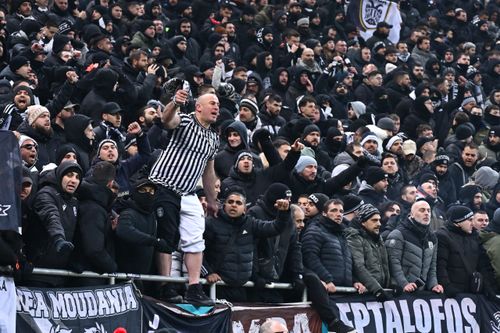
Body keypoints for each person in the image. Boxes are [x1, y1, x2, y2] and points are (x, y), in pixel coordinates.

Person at [149, 90, 219, 305]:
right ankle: (166, 284)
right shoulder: (187, 121)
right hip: (165, 184)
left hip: (189, 192)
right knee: (167, 236)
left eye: (218, 104)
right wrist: (175, 103)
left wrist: (213, 199)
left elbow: (209, 172)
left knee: (196, 239)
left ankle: (194, 287)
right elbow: (166, 120)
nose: (216, 107)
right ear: (198, 107)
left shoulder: (214, 137)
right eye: (212, 103)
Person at [203, 188, 291, 302]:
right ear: (224, 205)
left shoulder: (250, 223)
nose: (234, 205)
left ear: (245, 208)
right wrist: (208, 273)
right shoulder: (211, 223)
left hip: (241, 288)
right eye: (230, 202)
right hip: (216, 287)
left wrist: (283, 213)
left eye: (238, 203)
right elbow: (196, 251)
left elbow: (275, 228)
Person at [23, 161, 82, 287]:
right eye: (69, 175)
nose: (73, 180)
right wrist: (58, 239)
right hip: (37, 273)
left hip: (59, 274)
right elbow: (51, 216)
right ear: (60, 175)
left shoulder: (74, 202)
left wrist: (74, 259)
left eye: (77, 177)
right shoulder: (46, 194)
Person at [385, 200, 444, 294]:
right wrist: (404, 284)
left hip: (420, 292)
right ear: (411, 214)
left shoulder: (432, 237)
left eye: (428, 211)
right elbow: (393, 263)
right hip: (399, 292)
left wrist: (434, 285)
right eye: (422, 210)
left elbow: (432, 267)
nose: (426, 213)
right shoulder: (398, 234)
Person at [437, 205, 496, 297]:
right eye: (469, 220)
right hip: (451, 296)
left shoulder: (475, 236)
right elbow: (440, 266)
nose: (473, 223)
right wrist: (449, 289)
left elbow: (484, 266)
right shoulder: (443, 236)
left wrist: (489, 291)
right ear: (458, 222)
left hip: (473, 293)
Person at [345, 204, 392, 301]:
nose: (379, 224)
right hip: (365, 295)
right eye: (374, 220)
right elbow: (358, 266)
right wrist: (376, 289)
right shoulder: (354, 237)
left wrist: (393, 285)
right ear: (363, 222)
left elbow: (386, 266)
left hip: (381, 292)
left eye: (379, 220)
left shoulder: (378, 239)